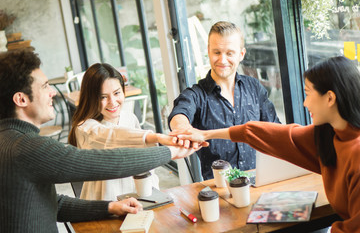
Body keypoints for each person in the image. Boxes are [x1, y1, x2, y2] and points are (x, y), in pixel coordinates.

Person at [0, 49, 203, 233]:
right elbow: (111, 160)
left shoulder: (10, 141)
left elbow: (53, 203)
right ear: (21, 99)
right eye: (45, 86)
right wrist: (169, 151)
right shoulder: (27, 148)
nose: (53, 91)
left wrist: (108, 207)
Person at [175, 56, 360, 232]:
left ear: (330, 98)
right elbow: (264, 134)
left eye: (308, 93)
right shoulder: (328, 135)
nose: (304, 103)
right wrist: (205, 134)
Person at [168, 21, 280, 180]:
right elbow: (179, 113)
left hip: (262, 181)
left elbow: (275, 130)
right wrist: (184, 129)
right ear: (208, 51)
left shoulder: (254, 87)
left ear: (241, 54)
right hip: (220, 191)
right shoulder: (196, 94)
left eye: (229, 53)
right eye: (217, 52)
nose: (222, 60)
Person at [68, 63, 172, 200]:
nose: (112, 102)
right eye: (103, 97)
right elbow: (110, 136)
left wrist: (154, 193)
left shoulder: (129, 117)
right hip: (104, 202)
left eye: (117, 93)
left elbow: (146, 163)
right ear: (91, 98)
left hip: (138, 196)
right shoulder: (85, 128)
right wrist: (154, 137)